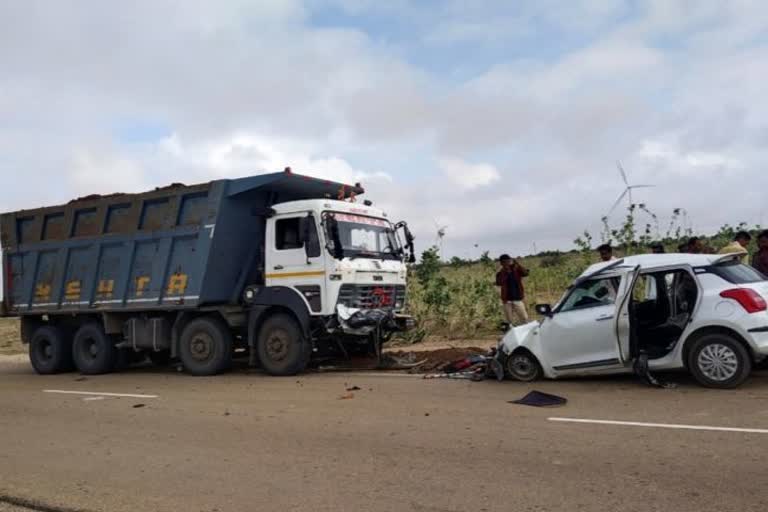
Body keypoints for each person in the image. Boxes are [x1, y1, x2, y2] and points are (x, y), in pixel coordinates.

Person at [495, 254, 530, 327]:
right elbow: (499, 282)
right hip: (507, 300)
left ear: (510, 261)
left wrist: (517, 264)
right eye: (504, 262)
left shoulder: (516, 269)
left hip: (517, 298)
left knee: (524, 318)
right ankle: (512, 332)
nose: (506, 263)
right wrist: (505, 271)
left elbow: (526, 273)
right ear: (501, 263)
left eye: (508, 261)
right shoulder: (500, 272)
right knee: (510, 321)